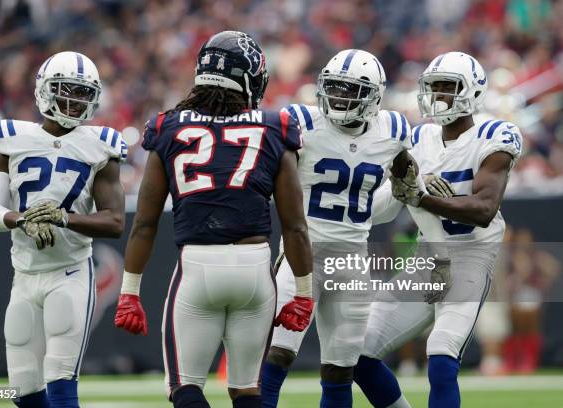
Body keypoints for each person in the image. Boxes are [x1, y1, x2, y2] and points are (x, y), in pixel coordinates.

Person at [113, 31, 314, 408]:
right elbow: (295, 225)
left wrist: (129, 291)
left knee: (185, 388)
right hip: (256, 270)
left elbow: (144, 223)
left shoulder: (167, 127)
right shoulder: (275, 127)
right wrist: (303, 292)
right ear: (247, 78)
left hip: (198, 267)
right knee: (247, 391)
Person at [260, 49, 454, 408]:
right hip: (302, 257)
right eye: (334, 87)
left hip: (352, 260)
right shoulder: (300, 122)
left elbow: (393, 193)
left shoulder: (393, 131)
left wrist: (412, 186)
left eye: (351, 90)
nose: (340, 96)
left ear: (375, 96)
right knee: (276, 356)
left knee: (340, 371)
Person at [354, 52, 523, 408]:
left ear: (473, 92)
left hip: (469, 259)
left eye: (449, 86)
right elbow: (386, 207)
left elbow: (483, 210)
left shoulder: (494, 133)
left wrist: (420, 197)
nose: (440, 95)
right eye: (434, 87)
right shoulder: (418, 138)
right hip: (425, 259)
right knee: (358, 351)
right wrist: (400, 188)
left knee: (442, 353)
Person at [0, 51, 126, 408]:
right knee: (23, 393)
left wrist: (62, 218)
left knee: (61, 384)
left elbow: (115, 221)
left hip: (71, 272)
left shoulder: (100, 145)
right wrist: (23, 219)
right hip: (25, 276)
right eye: (66, 90)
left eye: (83, 92)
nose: (75, 101)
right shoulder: (10, 137)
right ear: (45, 90)